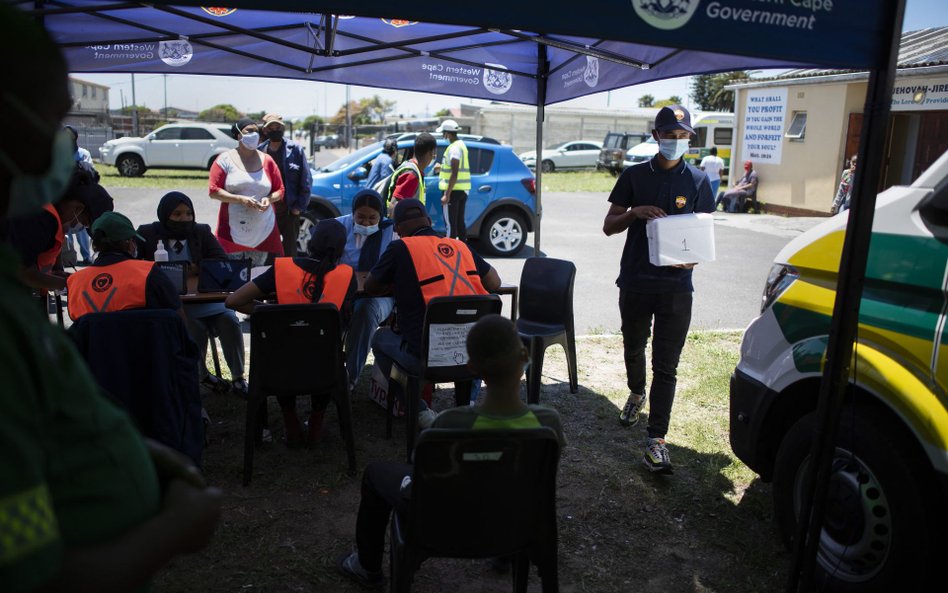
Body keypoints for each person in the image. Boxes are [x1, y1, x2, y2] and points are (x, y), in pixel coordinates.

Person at [0, 6, 220, 590]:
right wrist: (174, 529)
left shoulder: (34, 287)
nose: (61, 144)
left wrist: (135, 453)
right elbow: (28, 568)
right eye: (53, 122)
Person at [336, 314, 566, 587]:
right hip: (516, 520)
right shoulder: (548, 423)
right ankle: (505, 552)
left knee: (375, 474)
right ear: (524, 358)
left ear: (472, 367)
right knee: (505, 483)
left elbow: (419, 470)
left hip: (445, 524)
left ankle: (367, 566)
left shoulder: (450, 425)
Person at [602, 104, 714, 474]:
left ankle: (656, 440)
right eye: (670, 135)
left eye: (683, 137)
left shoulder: (698, 181)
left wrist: (692, 258)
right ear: (656, 136)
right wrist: (634, 212)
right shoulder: (633, 175)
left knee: (667, 366)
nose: (676, 142)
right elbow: (608, 226)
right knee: (633, 346)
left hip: (677, 289)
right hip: (635, 281)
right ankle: (636, 392)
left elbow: (703, 233)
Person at [365, 199, 501, 427]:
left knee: (379, 338)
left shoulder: (399, 248)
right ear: (429, 221)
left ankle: (419, 412)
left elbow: (371, 287)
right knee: (470, 334)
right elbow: (494, 282)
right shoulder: (460, 246)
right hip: (471, 355)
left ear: (397, 229)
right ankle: (466, 404)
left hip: (426, 358)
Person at [226, 218, 357, 445]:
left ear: (309, 244)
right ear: (341, 250)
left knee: (283, 354)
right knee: (324, 351)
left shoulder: (282, 269)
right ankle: (316, 422)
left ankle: (290, 421)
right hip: (326, 369)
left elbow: (233, 300)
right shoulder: (348, 277)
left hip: (280, 369)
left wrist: (272, 312)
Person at [137, 191, 248, 395]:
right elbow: (135, 266)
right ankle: (201, 376)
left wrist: (194, 268)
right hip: (172, 303)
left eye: (188, 213)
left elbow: (220, 261)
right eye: (177, 214)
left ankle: (238, 377)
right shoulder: (148, 234)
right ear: (164, 215)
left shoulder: (201, 232)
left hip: (207, 300)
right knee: (190, 326)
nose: (184, 219)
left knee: (230, 320)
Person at [4, 166, 112, 294]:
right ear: (78, 208)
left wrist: (54, 274)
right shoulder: (40, 217)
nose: (80, 228)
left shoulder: (53, 218)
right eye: (85, 224)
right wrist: (69, 283)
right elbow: (24, 271)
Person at [66, 211, 182, 322]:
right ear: (128, 243)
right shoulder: (148, 272)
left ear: (96, 245)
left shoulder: (75, 281)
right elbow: (176, 313)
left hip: (92, 342)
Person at [335, 189, 396, 389]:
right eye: (360, 217)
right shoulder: (339, 227)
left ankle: (350, 377)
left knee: (365, 309)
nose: (367, 223)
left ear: (382, 216)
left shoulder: (391, 231)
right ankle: (327, 369)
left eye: (372, 218)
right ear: (352, 214)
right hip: (342, 290)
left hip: (380, 293)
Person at [209, 118, 285, 266]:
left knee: (256, 274)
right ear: (238, 136)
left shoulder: (267, 160)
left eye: (256, 131)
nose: (254, 134)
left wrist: (268, 199)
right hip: (232, 229)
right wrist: (241, 199)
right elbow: (213, 191)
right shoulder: (224, 160)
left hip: (263, 229)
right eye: (249, 131)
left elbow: (280, 190)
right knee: (233, 275)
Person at [259, 113, 312, 257]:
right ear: (266, 131)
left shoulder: (295, 150)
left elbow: (306, 180)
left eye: (278, 127)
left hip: (289, 212)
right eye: (271, 127)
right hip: (268, 212)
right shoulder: (260, 151)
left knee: (289, 252)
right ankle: (270, 278)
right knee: (268, 252)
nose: (275, 130)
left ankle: (289, 279)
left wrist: (298, 207)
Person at [63, 125, 98, 265]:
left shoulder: (83, 153)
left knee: (82, 228)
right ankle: (68, 258)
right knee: (66, 229)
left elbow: (91, 174)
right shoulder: (57, 154)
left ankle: (86, 256)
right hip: (65, 197)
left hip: (81, 199)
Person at [435, 119, 471, 241]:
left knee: (450, 225)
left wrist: (446, 194)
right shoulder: (461, 145)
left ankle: (450, 252)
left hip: (453, 191)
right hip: (462, 190)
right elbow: (455, 169)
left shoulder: (454, 148)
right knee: (459, 223)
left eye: (443, 133)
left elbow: (455, 172)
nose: (442, 136)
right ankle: (464, 249)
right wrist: (442, 168)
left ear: (448, 133)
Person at [385, 133, 437, 211]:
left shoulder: (414, 170)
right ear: (431, 153)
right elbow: (395, 206)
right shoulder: (411, 175)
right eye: (433, 153)